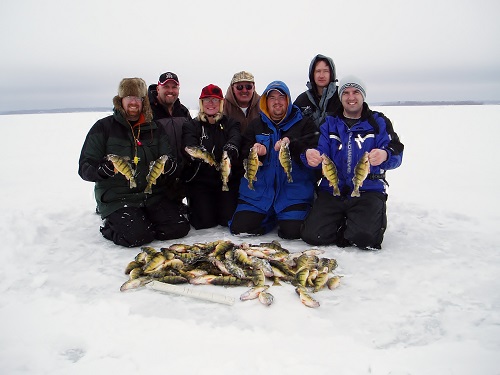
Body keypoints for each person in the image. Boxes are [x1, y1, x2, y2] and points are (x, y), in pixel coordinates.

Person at [78, 77, 190, 247]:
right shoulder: (103, 127)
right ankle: (110, 226)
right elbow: (85, 166)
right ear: (120, 101)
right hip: (117, 197)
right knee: (137, 236)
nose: (133, 102)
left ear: (143, 101)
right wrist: (101, 171)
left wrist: (170, 166)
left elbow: (168, 156)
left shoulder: (154, 128)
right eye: (128, 97)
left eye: (137, 98)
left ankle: (144, 219)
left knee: (178, 228)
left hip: (151, 194)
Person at [300, 75, 404, 250]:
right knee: (313, 236)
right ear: (340, 97)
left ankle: (361, 223)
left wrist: (385, 155)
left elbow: (396, 150)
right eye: (346, 93)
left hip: (368, 189)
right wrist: (309, 155)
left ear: (363, 95)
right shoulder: (329, 123)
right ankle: (344, 221)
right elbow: (317, 150)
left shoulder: (378, 122)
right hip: (333, 188)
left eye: (356, 92)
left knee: (365, 239)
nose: (351, 97)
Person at [229, 81, 318, 239]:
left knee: (293, 232)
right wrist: (255, 151)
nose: (277, 102)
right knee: (240, 229)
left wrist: (294, 145)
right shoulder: (256, 125)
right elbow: (244, 152)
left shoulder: (304, 124)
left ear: (288, 100)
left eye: (281, 97)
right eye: (272, 98)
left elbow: (312, 151)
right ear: (265, 102)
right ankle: (269, 217)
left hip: (292, 193)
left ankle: (283, 217)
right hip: (259, 194)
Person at [182, 84, 242, 230]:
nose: (211, 104)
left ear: (221, 103)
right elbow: (189, 144)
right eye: (207, 100)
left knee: (227, 219)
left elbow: (235, 137)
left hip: (225, 179)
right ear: (201, 103)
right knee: (204, 222)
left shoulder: (231, 123)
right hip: (201, 182)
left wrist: (231, 148)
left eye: (215, 100)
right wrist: (197, 155)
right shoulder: (192, 125)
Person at [148, 72, 192, 205]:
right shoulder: (147, 112)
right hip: (158, 178)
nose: (170, 91)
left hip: (181, 175)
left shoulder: (183, 111)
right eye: (166, 87)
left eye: (174, 87)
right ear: (158, 88)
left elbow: (191, 138)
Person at [293, 54, 341, 128]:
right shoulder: (302, 100)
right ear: (312, 74)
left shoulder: (341, 96)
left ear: (331, 74)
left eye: (326, 71)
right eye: (318, 71)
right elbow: (292, 126)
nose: (321, 75)